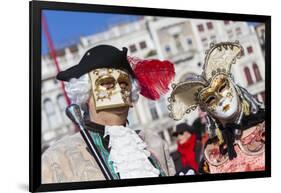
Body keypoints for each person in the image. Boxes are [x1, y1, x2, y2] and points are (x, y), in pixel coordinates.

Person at [42, 45, 176, 183]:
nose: (119, 90)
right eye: (107, 84)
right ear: (86, 94)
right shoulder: (57, 158)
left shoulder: (154, 142)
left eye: (124, 84)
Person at [168, 41, 265, 174]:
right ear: (206, 109)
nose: (220, 99)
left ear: (234, 87)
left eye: (222, 87)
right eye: (210, 98)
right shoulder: (211, 153)